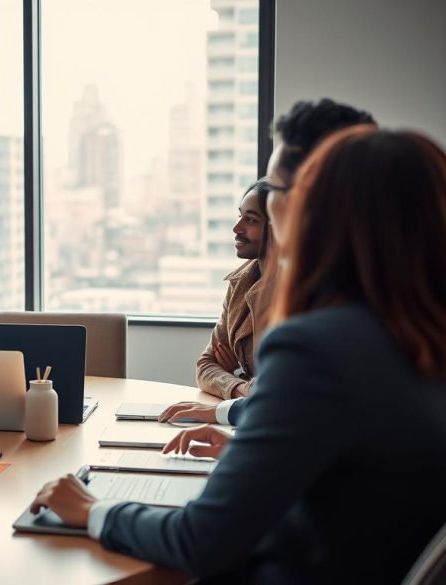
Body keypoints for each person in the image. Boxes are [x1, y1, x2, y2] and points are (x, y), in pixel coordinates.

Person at [29, 127, 446, 583]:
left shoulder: (320, 345)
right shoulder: (414, 335)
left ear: (328, 220)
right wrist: (260, 448)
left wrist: (93, 510)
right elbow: (364, 458)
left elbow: (201, 540)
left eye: (294, 198)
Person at [161, 98, 375, 426]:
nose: (237, 228)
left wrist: (249, 394)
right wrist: (243, 392)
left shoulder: (328, 315)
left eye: (276, 191)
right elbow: (211, 367)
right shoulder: (248, 282)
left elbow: (283, 403)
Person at [194, 181, 272, 400]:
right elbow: (206, 365)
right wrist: (243, 385)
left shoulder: (299, 292)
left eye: (251, 220)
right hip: (248, 413)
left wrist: (236, 372)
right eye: (240, 216)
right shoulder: (241, 282)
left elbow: (276, 386)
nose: (237, 229)